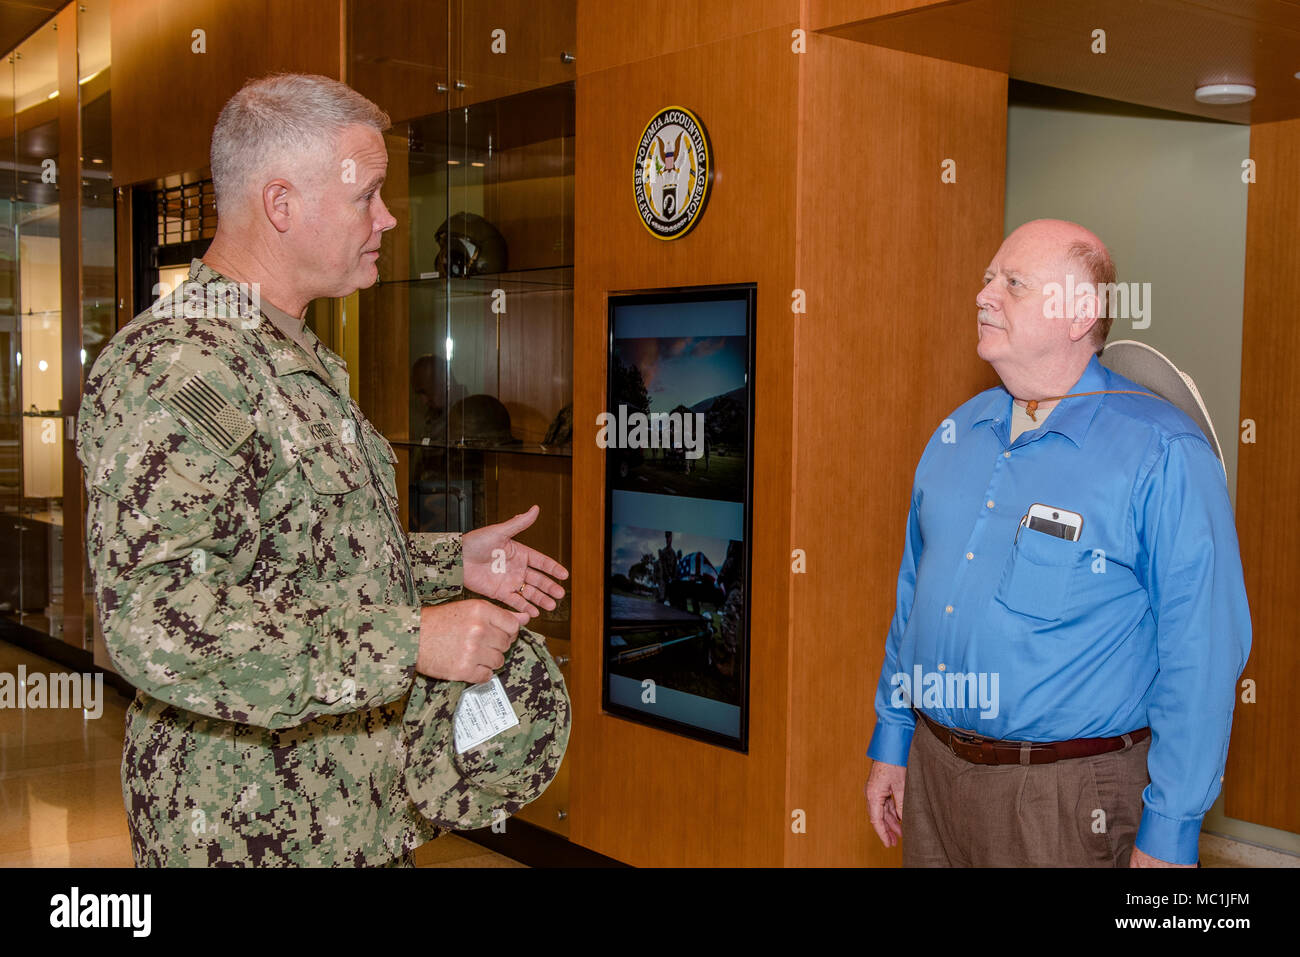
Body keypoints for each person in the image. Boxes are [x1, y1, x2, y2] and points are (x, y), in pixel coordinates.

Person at [75, 73, 568, 867]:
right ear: (282, 205)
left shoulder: (288, 352)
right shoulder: (179, 367)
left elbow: (294, 558)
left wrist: (450, 561)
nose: (388, 218)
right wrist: (410, 639)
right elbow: (155, 620)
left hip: (351, 814)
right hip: (247, 830)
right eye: (366, 196)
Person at [863, 219, 1250, 868]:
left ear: (1080, 314)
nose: (984, 295)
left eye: (1013, 283)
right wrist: (893, 737)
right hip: (932, 780)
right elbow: (912, 603)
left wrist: (1172, 828)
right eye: (988, 279)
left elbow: (1201, 657)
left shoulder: (1163, 454)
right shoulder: (954, 436)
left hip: (1066, 801)